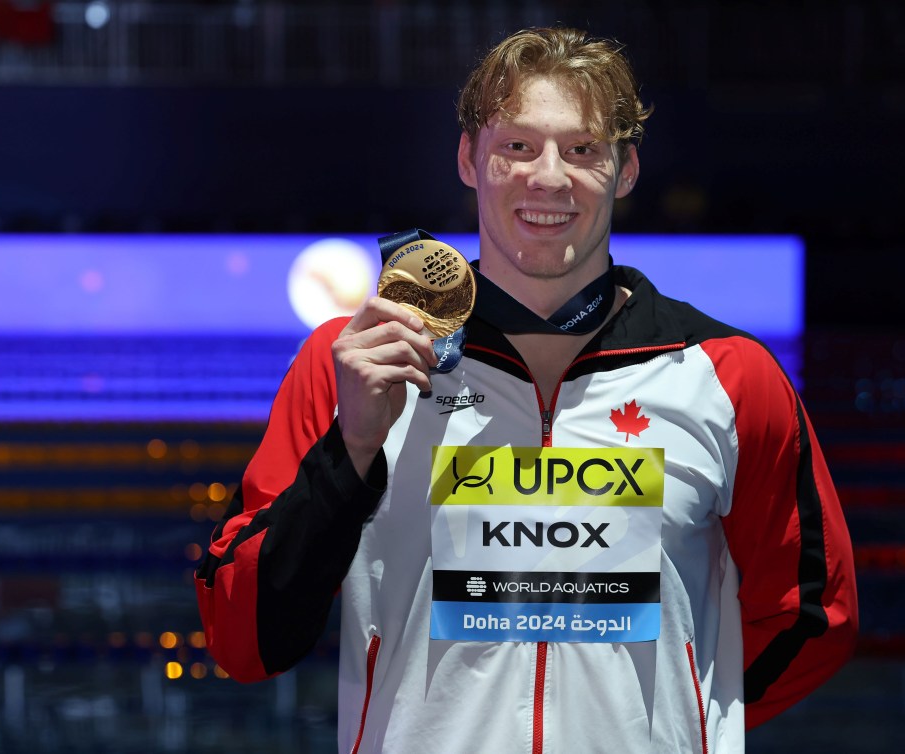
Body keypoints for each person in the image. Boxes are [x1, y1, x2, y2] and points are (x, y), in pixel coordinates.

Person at [195, 26, 858, 753]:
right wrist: (350, 448)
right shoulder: (354, 364)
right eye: (517, 146)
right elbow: (242, 637)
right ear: (468, 159)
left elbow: (812, 614)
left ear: (626, 170)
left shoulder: (727, 375)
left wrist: (677, 722)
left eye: (582, 149)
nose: (548, 177)